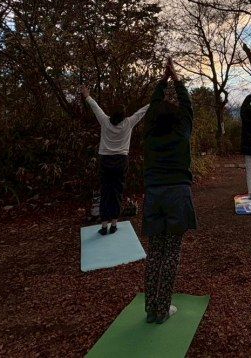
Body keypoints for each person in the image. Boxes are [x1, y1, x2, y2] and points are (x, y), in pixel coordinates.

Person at [143, 58, 197, 325]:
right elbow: (188, 107)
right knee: (172, 251)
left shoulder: (149, 135)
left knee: (155, 251)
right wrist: (175, 79)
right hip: (177, 193)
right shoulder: (181, 133)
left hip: (154, 194)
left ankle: (152, 307)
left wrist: (163, 81)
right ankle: (163, 307)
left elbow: (153, 108)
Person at [79, 84, 148, 235]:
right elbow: (142, 111)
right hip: (121, 162)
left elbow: (95, 106)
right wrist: (154, 101)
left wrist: (86, 94)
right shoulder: (128, 123)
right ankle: (114, 225)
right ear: (123, 115)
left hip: (105, 161)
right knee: (117, 192)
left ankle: (104, 226)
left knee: (105, 192)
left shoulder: (104, 121)